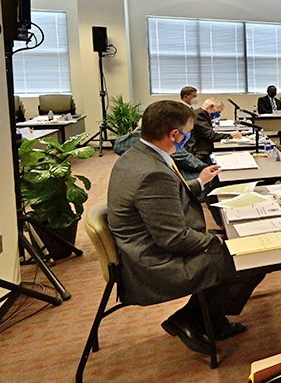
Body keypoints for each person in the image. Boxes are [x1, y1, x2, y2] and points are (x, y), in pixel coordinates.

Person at [106, 101, 264, 356]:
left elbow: (162, 200)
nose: (189, 138)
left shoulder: (138, 155)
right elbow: (174, 238)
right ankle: (190, 319)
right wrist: (217, 242)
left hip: (145, 246)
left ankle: (209, 317)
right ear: (174, 134)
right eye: (188, 133)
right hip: (153, 261)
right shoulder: (153, 174)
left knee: (234, 249)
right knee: (250, 259)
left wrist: (199, 182)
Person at [258, 85, 281, 150]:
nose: (273, 92)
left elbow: (280, 111)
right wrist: (273, 113)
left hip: (278, 120)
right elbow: (262, 110)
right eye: (271, 90)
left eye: (274, 91)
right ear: (267, 91)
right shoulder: (262, 99)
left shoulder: (278, 101)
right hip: (266, 120)